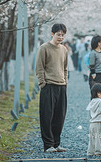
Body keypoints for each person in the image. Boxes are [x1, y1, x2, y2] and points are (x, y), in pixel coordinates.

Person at [35, 23, 68, 153]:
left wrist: (65, 82)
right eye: (58, 34)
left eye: (63, 35)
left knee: (59, 117)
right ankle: (48, 145)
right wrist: (42, 83)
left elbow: (65, 68)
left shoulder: (64, 49)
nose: (60, 37)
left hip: (61, 86)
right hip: (48, 86)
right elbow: (39, 67)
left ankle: (56, 143)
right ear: (52, 34)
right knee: (47, 116)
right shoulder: (44, 48)